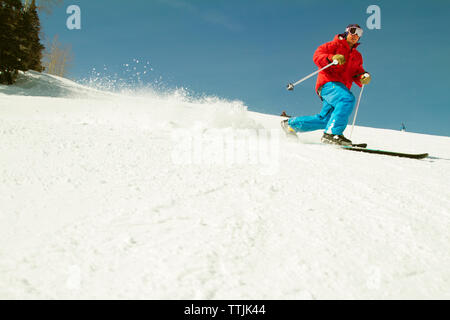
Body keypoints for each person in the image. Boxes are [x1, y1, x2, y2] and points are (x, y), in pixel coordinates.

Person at [281, 24, 371, 145]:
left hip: (340, 89)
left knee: (326, 120)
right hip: (327, 83)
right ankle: (332, 134)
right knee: (347, 99)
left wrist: (362, 76)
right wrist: (332, 57)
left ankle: (290, 125)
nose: (356, 35)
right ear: (346, 32)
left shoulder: (357, 56)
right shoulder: (333, 45)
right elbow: (317, 56)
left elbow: (357, 71)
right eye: (353, 31)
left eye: (359, 33)